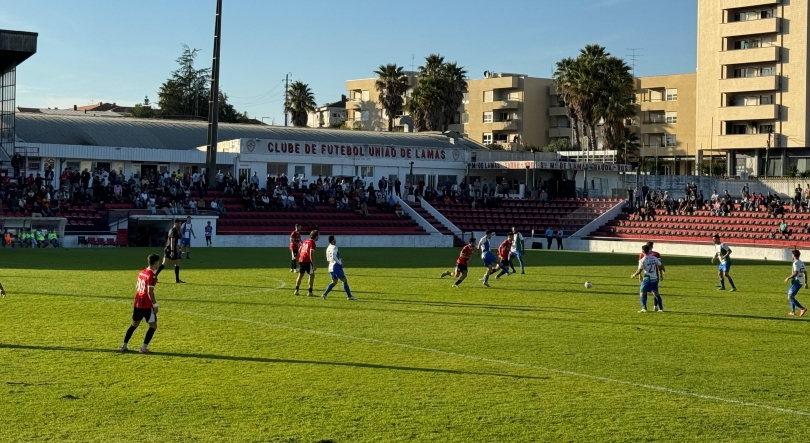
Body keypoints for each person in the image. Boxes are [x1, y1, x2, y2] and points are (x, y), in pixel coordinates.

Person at [119, 254, 161, 354]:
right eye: (158, 262)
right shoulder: (152, 275)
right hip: (146, 305)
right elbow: (150, 292)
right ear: (155, 263)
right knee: (153, 326)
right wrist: (155, 305)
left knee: (134, 325)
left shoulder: (142, 272)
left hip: (137, 303)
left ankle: (124, 345)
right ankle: (143, 348)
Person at [631, 244, 665, 313]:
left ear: (643, 251)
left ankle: (644, 308)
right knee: (656, 293)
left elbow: (639, 271)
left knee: (642, 293)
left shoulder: (642, 260)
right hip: (655, 278)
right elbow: (661, 265)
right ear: (649, 250)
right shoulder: (654, 258)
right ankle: (661, 308)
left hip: (647, 278)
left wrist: (634, 275)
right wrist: (663, 271)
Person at [322, 235, 356, 300]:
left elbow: (328, 258)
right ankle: (349, 296)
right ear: (332, 240)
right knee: (344, 280)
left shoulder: (328, 248)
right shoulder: (335, 247)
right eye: (334, 239)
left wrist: (338, 259)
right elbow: (334, 256)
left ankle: (325, 294)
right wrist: (340, 262)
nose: (335, 240)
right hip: (336, 266)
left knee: (334, 282)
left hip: (330, 267)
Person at [157, 219, 184, 283]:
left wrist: (177, 247)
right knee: (177, 263)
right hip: (171, 249)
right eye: (180, 223)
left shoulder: (172, 230)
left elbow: (172, 241)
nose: (180, 225)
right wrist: (172, 251)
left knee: (164, 264)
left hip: (167, 248)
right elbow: (172, 240)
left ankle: (154, 276)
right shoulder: (174, 230)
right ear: (176, 223)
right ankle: (177, 280)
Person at [294, 230, 319, 297]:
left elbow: (299, 250)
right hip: (307, 261)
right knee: (312, 275)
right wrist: (313, 264)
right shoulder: (312, 243)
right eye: (318, 236)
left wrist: (302, 255)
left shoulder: (305, 241)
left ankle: (296, 290)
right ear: (315, 236)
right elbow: (311, 254)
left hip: (301, 260)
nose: (318, 237)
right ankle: (310, 292)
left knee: (300, 275)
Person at [784, 250, 808, 317]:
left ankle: (802, 308)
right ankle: (792, 311)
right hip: (799, 282)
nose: (791, 256)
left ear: (794, 255)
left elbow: (795, 273)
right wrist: (806, 283)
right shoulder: (802, 263)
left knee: (790, 297)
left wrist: (788, 278)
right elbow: (805, 273)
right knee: (792, 296)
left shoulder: (796, 263)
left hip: (796, 282)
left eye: (792, 255)